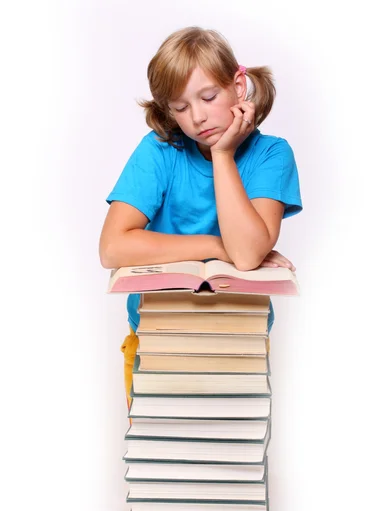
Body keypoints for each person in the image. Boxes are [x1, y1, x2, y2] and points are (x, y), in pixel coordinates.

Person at [99, 26, 303, 415]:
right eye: (179, 107)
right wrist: (214, 247)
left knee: (227, 455)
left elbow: (244, 256)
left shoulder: (271, 155)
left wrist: (223, 154)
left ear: (239, 87)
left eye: (208, 97)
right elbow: (112, 248)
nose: (197, 117)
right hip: (159, 336)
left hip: (236, 339)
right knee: (160, 458)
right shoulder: (160, 151)